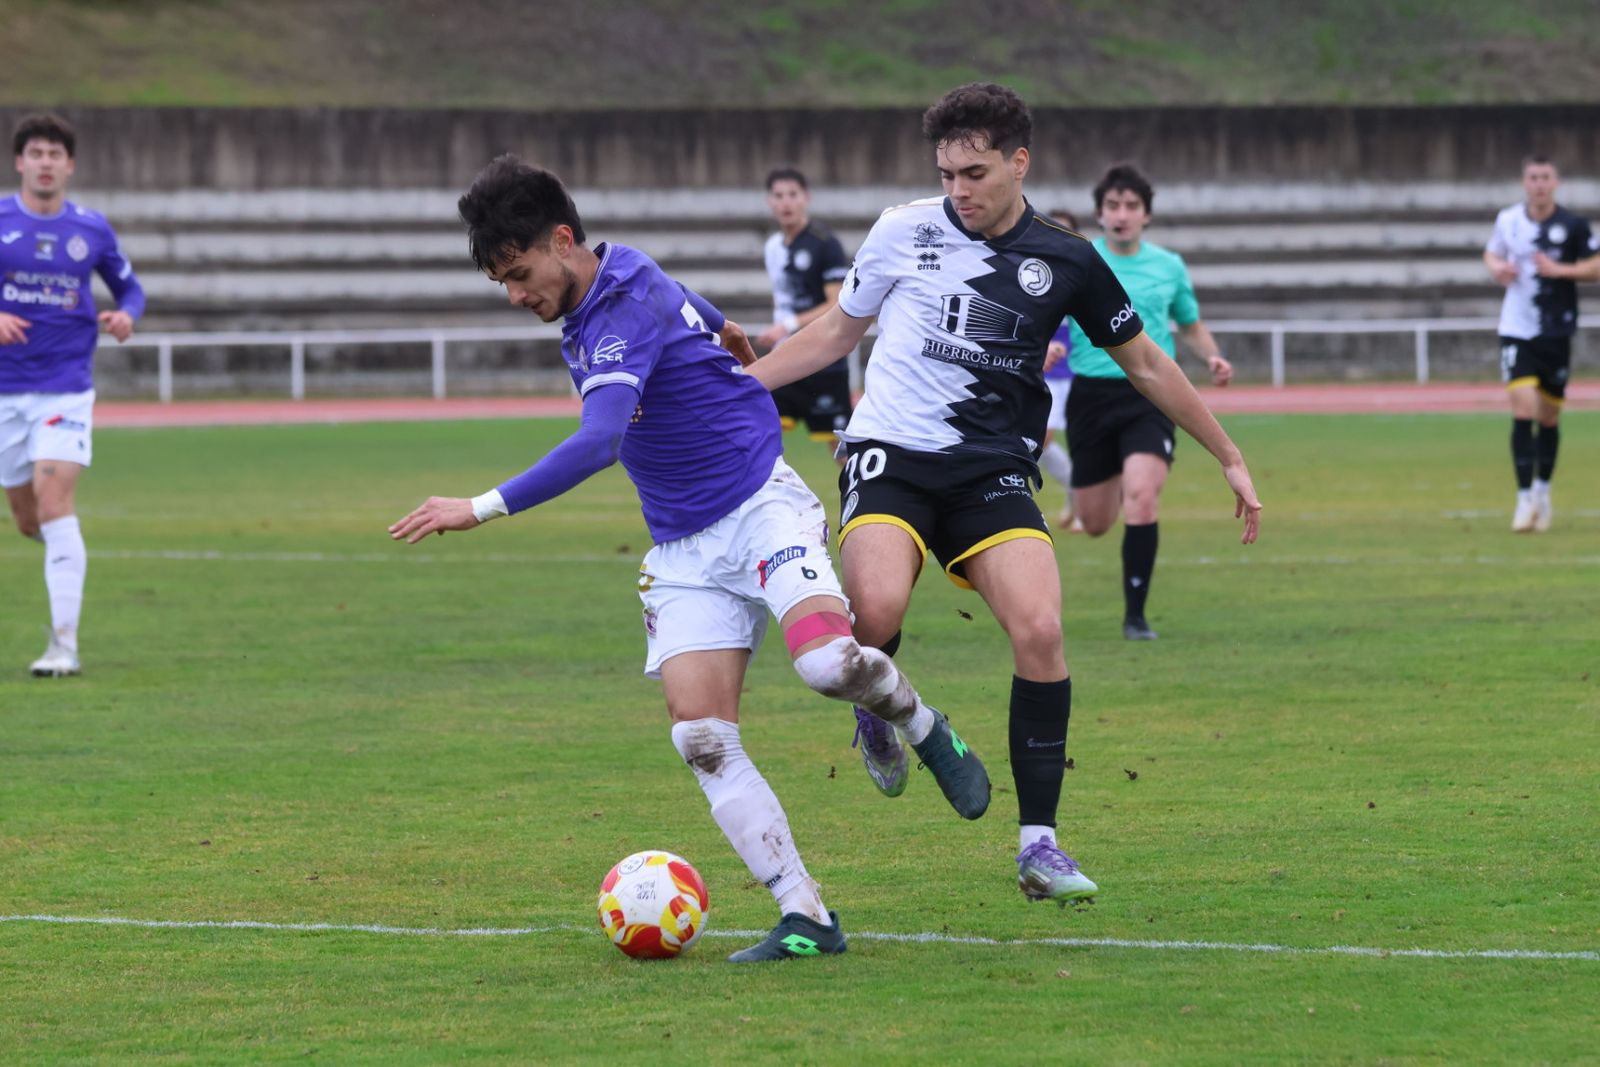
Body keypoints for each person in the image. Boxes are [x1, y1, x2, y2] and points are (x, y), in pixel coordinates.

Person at [389, 156, 991, 962]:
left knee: (826, 667)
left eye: (521, 272)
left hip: (760, 506)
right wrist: (725, 330)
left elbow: (601, 440)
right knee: (701, 736)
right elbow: (690, 306)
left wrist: (481, 506)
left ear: (563, 241)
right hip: (684, 545)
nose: (515, 295)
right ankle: (806, 913)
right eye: (502, 280)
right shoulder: (622, 266)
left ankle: (921, 723)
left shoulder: (613, 313)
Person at [745, 84, 1261, 904]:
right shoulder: (899, 230)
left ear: (1021, 163)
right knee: (872, 615)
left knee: (1043, 629)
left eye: (975, 172)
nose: (959, 190)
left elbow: (1150, 365)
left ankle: (1039, 846)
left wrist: (1227, 453)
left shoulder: (1068, 260)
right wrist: (742, 384)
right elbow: (834, 334)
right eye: (947, 173)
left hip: (991, 472)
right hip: (891, 455)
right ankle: (880, 706)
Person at [1064, 163, 1234, 641]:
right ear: (1099, 214)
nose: (1122, 214)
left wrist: (1214, 357)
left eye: (1131, 206)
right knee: (1095, 522)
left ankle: (1135, 617)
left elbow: (1190, 323)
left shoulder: (1168, 266)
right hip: (1090, 398)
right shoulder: (1079, 259)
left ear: (1147, 216)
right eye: (1113, 206)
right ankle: (1118, 471)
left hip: (1149, 397)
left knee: (1141, 499)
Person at [1, 113, 144, 677]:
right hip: (5, 391)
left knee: (56, 505)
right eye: (35, 153)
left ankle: (64, 646)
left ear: (70, 165)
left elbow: (130, 287)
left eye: (55, 154)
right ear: (20, 162)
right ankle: (64, 554)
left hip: (65, 386)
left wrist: (126, 315)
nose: (44, 163)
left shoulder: (91, 228)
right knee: (29, 519)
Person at [1484, 154, 1598, 532]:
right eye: (1533, 177)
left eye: (1545, 177)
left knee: (1548, 416)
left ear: (1556, 183)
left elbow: (1596, 265)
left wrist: (1561, 270)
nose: (1539, 184)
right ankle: (1523, 499)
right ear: (1524, 181)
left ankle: (1543, 491)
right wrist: (1497, 268)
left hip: (1556, 329)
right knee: (1523, 407)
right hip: (1516, 328)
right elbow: (1492, 252)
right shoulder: (1508, 220)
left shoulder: (1573, 225)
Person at [755, 167, 853, 461]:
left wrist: (787, 325)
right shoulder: (773, 246)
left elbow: (836, 302)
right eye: (778, 195)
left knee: (840, 449)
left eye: (792, 195)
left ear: (806, 198)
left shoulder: (826, 244)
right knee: (757, 430)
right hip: (786, 356)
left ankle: (857, 500)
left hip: (824, 359)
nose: (786, 202)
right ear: (769, 201)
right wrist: (781, 332)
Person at [1039, 208, 1081, 531]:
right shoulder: (1032, 267)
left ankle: (1079, 498)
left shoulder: (1077, 271)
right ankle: (1076, 498)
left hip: (1062, 367)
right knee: (1040, 437)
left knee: (1044, 438)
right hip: (1034, 363)